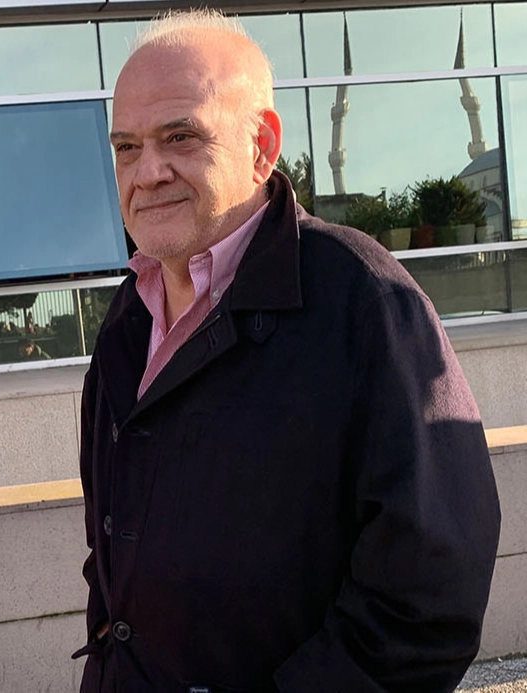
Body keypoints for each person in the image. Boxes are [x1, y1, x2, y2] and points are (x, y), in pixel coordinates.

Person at [74, 10, 501, 692]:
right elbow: (114, 548)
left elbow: (427, 591)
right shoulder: (128, 316)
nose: (146, 171)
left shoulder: (359, 297)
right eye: (126, 146)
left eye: (180, 136)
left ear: (261, 145)